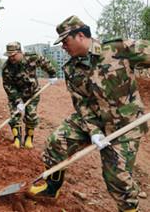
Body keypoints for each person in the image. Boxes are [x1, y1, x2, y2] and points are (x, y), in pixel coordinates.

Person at [27, 15, 150, 212]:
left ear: (81, 36)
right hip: (91, 119)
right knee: (56, 142)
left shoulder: (118, 49)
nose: (63, 47)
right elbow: (81, 102)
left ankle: (129, 209)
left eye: (66, 41)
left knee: (117, 178)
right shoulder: (71, 68)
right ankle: (52, 188)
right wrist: (94, 130)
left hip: (125, 124)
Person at [2, 41, 57, 148]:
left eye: (13, 55)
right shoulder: (6, 68)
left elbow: (44, 62)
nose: (11, 58)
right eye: (9, 55)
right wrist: (18, 101)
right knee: (14, 116)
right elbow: (8, 86)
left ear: (20, 52)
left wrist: (52, 74)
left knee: (31, 117)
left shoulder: (31, 58)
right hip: (16, 95)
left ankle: (29, 138)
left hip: (32, 93)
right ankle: (17, 139)